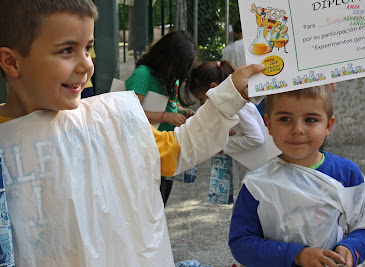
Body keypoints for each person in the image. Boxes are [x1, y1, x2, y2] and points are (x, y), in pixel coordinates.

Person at [0, 0, 265, 265]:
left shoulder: (110, 120)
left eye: (88, 48)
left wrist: (227, 98)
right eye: (67, 50)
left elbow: (180, 147)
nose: (86, 65)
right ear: (12, 62)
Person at [228, 85, 365, 267]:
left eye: (310, 119)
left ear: (328, 125)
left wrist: (351, 247)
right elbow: (241, 243)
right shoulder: (257, 184)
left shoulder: (347, 173)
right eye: (285, 119)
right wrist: (296, 255)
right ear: (268, 124)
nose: (298, 129)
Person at [125, 30, 196, 206]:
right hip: (144, 152)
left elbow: (171, 105)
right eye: (179, 67)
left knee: (160, 201)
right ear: (167, 59)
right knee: (147, 205)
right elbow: (128, 113)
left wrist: (182, 112)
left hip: (164, 153)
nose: (181, 73)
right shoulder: (143, 74)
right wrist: (165, 117)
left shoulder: (171, 77)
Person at [188, 60, 265, 204]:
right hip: (251, 168)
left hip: (259, 170)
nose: (201, 104)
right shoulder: (230, 105)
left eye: (201, 99)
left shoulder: (239, 106)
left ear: (213, 88)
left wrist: (223, 145)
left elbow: (255, 138)